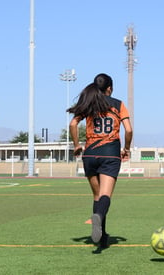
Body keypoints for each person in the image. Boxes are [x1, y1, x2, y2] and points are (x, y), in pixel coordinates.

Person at [68, 73, 133, 248]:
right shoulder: (118, 104)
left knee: (97, 196)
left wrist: (76, 145)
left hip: (89, 154)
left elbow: (73, 124)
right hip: (110, 154)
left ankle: (101, 237)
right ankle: (98, 218)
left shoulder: (89, 104)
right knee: (105, 196)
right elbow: (128, 130)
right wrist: (126, 149)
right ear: (109, 88)